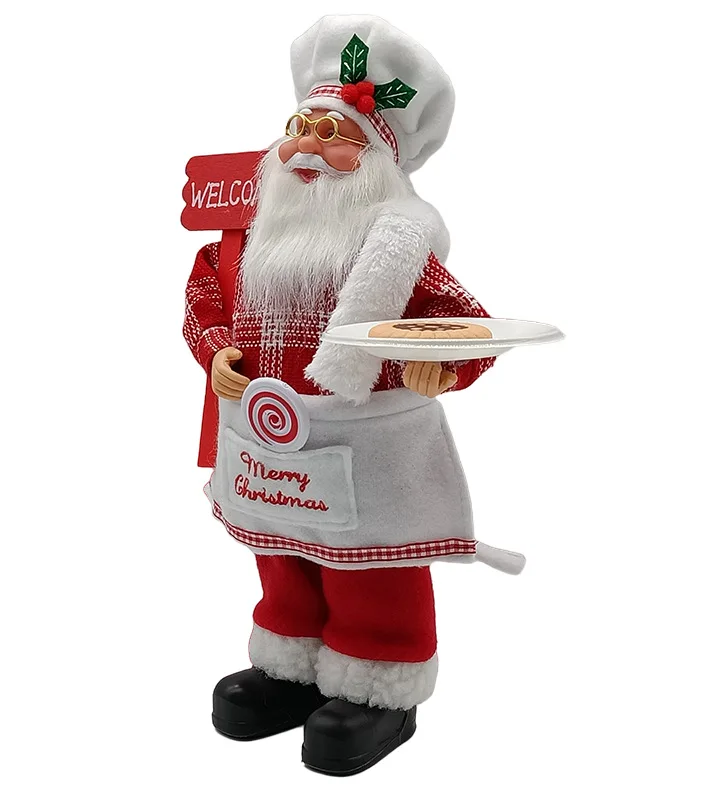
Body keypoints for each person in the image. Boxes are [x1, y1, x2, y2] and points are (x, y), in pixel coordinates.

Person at [183, 15, 512, 775]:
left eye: (335, 134)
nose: (306, 147)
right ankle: (290, 662)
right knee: (281, 556)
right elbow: (204, 292)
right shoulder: (249, 241)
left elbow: (466, 324)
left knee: (369, 566)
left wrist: (441, 364)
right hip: (268, 442)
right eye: (299, 129)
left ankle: (377, 681)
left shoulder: (394, 249)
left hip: (367, 448)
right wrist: (216, 346)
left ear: (375, 163)